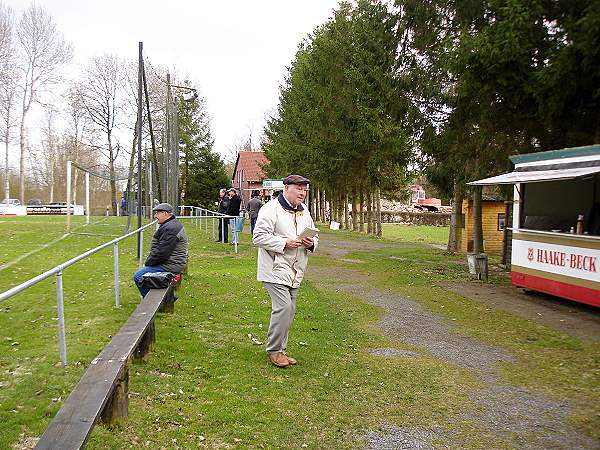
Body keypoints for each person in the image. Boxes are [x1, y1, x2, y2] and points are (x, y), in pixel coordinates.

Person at [252, 174, 318, 368]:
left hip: (296, 269)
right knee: (284, 308)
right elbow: (258, 237)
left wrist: (311, 243)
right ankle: (273, 350)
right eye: (299, 189)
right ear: (286, 187)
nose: (302, 193)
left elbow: (315, 235)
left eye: (304, 190)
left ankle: (281, 349)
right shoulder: (270, 209)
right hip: (274, 268)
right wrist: (284, 243)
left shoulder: (304, 210)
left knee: (289, 311)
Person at [133, 203, 188, 297]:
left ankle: (151, 300)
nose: (155, 216)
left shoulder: (171, 228)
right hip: (172, 262)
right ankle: (165, 297)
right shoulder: (170, 225)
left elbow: (162, 253)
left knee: (138, 276)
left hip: (171, 265)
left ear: (166, 214)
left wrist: (148, 263)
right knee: (144, 272)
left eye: (158, 213)